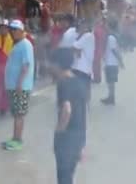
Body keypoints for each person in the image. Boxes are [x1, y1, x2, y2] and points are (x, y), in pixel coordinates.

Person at [52, 49, 87, 184]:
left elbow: (67, 109)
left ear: (58, 64)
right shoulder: (79, 82)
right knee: (69, 176)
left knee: (63, 177)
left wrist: (59, 132)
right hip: (78, 136)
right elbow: (83, 113)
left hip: (67, 137)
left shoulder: (63, 83)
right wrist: (82, 144)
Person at [2, 19, 35, 151]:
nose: (12, 32)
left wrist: (20, 84)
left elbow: (26, 65)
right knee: (16, 113)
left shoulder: (25, 44)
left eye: (15, 30)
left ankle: (18, 140)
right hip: (14, 85)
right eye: (11, 30)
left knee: (19, 114)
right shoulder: (18, 44)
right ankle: (14, 137)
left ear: (21, 31)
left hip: (20, 86)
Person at [101, 19, 124, 105]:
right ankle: (111, 97)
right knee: (111, 81)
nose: (105, 26)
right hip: (111, 62)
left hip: (111, 63)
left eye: (107, 25)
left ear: (110, 26)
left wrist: (120, 61)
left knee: (110, 82)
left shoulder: (111, 37)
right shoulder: (114, 36)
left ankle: (111, 98)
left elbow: (114, 50)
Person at [72, 20, 95, 102]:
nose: (81, 28)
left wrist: (77, 49)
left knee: (83, 87)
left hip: (82, 68)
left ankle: (84, 104)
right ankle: (86, 104)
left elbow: (75, 46)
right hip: (84, 67)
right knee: (86, 86)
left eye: (83, 26)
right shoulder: (87, 36)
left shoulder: (87, 36)